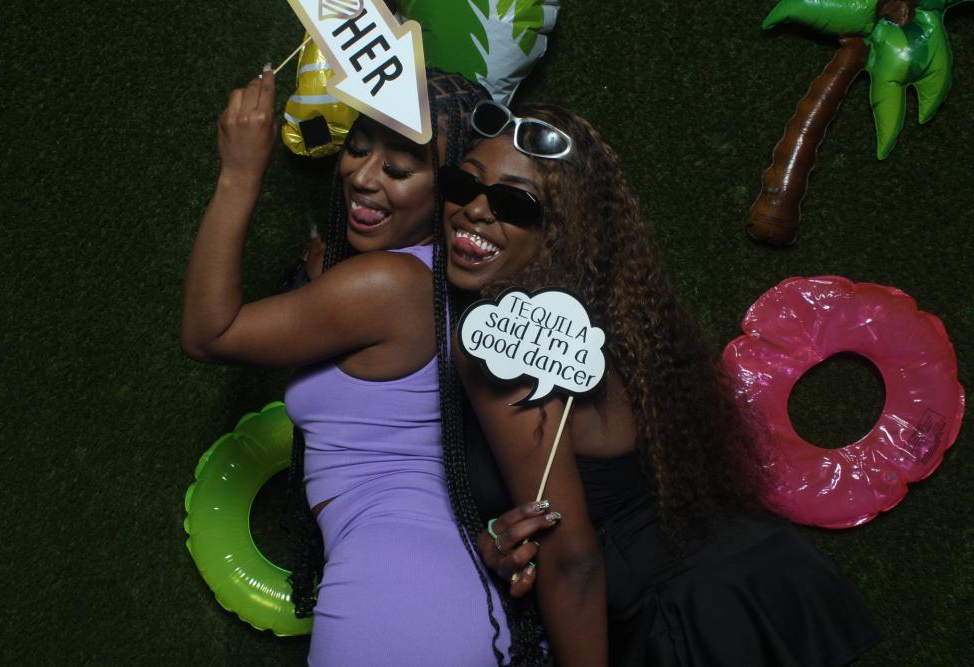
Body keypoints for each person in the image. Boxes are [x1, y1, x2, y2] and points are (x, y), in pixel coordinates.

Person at [440, 101, 881, 665]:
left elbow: (573, 560)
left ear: (563, 230)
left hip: (697, 618)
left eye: (514, 203)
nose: (475, 210)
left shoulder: (504, 339)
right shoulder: (622, 318)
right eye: (464, 184)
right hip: (763, 582)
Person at [181, 65, 526, 664]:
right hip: (429, 584)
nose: (363, 177)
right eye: (359, 148)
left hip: (393, 589)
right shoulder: (430, 282)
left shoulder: (387, 285)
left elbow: (209, 333)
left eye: (399, 169)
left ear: (450, 187)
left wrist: (239, 173)